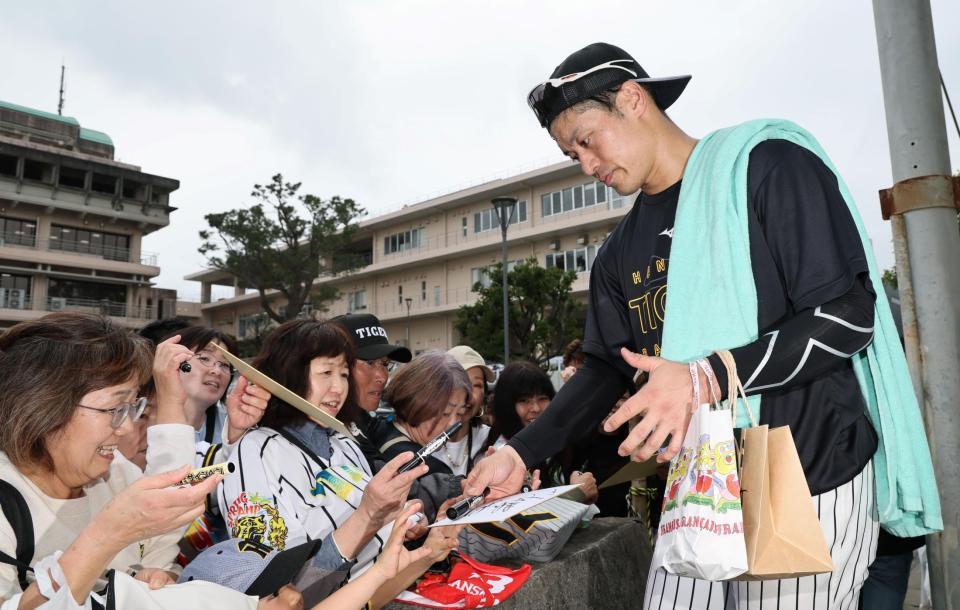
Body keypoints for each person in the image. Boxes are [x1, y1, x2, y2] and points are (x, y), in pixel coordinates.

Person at [466, 42, 940, 609]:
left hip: (809, 477)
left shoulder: (764, 165)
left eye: (587, 140)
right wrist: (520, 453)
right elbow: (603, 370)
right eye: (573, 157)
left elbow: (848, 314)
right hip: (699, 488)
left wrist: (707, 375)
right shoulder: (618, 254)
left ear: (633, 99)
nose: (588, 167)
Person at [219, 319, 450, 600]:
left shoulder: (344, 444)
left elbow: (376, 535)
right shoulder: (255, 451)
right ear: (288, 374)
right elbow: (283, 593)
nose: (338, 388)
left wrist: (402, 523)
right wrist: (368, 515)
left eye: (343, 374)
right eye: (326, 372)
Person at [0, 312, 220, 607]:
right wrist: (106, 537)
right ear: (45, 408)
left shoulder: (114, 472)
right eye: (115, 407)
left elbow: (165, 520)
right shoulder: (7, 503)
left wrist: (146, 579)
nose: (127, 427)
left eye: (132, 407)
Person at [482, 361, 598, 505]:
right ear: (507, 406)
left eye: (542, 399)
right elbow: (521, 518)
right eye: (524, 400)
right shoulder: (501, 454)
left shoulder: (558, 442)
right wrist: (576, 494)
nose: (536, 408)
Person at [369, 351, 472, 476]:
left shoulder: (375, 429)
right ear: (415, 402)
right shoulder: (428, 471)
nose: (453, 423)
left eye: (460, 413)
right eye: (445, 413)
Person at [443, 346, 493, 476]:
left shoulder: (491, 440)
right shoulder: (419, 440)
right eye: (460, 382)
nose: (468, 393)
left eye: (477, 385)